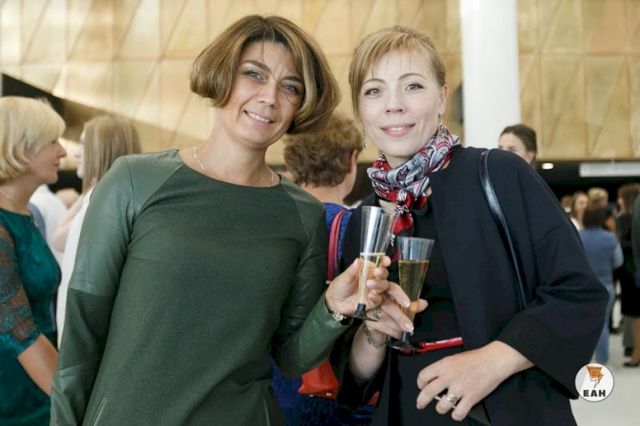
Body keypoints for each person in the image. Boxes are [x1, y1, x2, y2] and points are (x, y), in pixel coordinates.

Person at [50, 15, 412, 425]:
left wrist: (332, 309)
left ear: (300, 105)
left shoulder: (302, 214)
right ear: (222, 75)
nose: (269, 97)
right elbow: (80, 341)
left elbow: (291, 358)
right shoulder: (133, 181)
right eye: (253, 74)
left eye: (290, 87)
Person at [335, 25, 607, 425]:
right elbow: (354, 378)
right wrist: (373, 334)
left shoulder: (498, 175)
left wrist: (493, 361)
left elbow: (579, 293)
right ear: (359, 111)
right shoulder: (366, 220)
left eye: (412, 86)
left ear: (442, 97)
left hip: (506, 411)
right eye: (374, 91)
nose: (393, 105)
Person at [273, 112, 369, 425]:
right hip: (341, 392)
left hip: (277, 388)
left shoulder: (270, 224)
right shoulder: (357, 229)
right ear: (351, 161)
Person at [0, 96, 66, 425]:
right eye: (52, 141)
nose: (62, 151)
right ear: (22, 149)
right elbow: (18, 329)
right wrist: (75, 404)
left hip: (36, 389)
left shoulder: (22, 215)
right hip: (13, 400)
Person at [54, 115, 141, 345]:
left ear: (102, 149)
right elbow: (59, 240)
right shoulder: (105, 197)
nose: (75, 153)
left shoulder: (101, 201)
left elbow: (58, 238)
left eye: (84, 144)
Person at [579, 207, 623, 365]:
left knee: (583, 324)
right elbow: (618, 261)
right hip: (605, 286)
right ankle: (602, 361)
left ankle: (583, 358)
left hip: (583, 286)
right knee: (602, 324)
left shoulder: (577, 236)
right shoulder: (610, 238)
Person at [615, 183, 640, 366]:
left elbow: (623, 245)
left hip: (630, 273)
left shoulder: (625, 219)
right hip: (633, 271)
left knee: (634, 316)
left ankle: (637, 354)